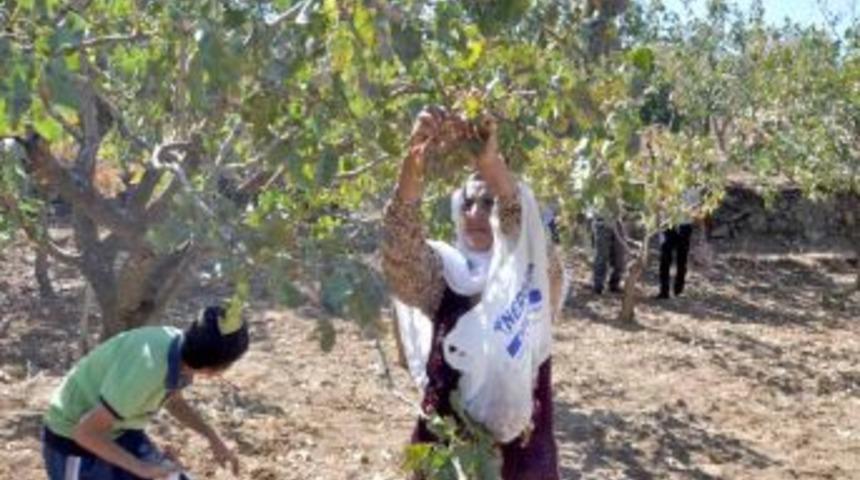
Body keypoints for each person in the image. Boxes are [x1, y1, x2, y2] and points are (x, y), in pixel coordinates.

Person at [382, 108, 564, 479]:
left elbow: (527, 234)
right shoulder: (446, 273)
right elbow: (401, 256)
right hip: (446, 452)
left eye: (488, 202)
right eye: (467, 203)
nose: (475, 213)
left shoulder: (534, 273)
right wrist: (412, 165)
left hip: (520, 457)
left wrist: (492, 166)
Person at [42, 305, 249, 479]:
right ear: (212, 370)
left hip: (117, 430)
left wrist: (212, 437)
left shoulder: (181, 350)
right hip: (73, 442)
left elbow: (174, 401)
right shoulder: (147, 371)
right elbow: (85, 433)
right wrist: (142, 469)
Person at [658, 187, 701, 299]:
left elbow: (697, 209)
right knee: (665, 259)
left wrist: (692, 215)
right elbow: (658, 202)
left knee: (682, 259)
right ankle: (664, 291)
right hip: (667, 225)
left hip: (685, 226)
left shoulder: (693, 189)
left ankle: (678, 290)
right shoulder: (666, 184)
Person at [588, 207, 627, 295]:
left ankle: (614, 284)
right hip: (602, 222)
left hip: (616, 222)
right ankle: (598, 286)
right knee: (602, 257)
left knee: (619, 257)